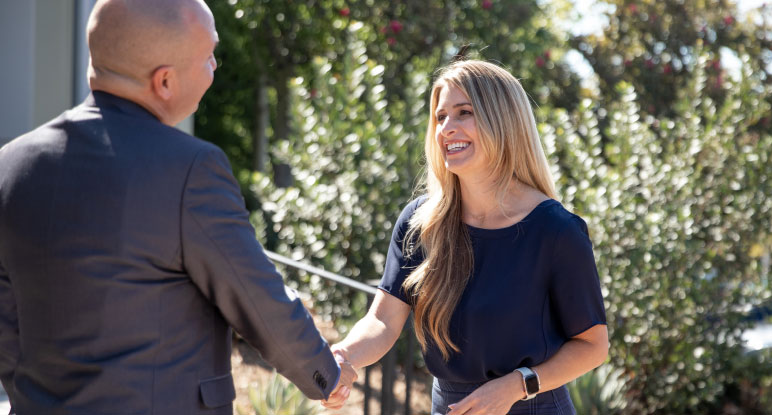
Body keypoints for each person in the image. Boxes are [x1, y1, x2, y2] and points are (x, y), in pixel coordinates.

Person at [0, 0, 355, 413]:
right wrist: (326, 372)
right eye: (208, 58)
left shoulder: (12, 164)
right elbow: (256, 296)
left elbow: (6, 323)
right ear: (164, 81)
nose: (215, 68)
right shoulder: (189, 170)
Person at [331, 59, 610, 415]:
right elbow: (383, 321)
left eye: (463, 112)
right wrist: (343, 356)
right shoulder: (420, 223)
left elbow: (593, 345)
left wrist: (516, 385)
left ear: (503, 120)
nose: (447, 127)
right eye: (441, 116)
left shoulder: (556, 230)